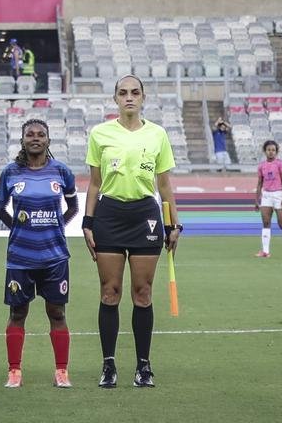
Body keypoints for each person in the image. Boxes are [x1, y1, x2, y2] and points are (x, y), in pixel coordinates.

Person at [82, 75, 181, 390]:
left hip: (145, 216)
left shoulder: (157, 135)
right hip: (109, 215)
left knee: (143, 292)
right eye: (123, 93)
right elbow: (95, 184)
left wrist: (173, 224)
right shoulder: (100, 134)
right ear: (115, 99)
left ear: (143, 98)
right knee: (110, 292)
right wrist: (87, 222)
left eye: (134, 93)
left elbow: (164, 185)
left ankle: (143, 366)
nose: (129, 98)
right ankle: (108, 366)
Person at [0, 120, 78, 389]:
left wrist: (56, 226)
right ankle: (14, 371)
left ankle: (62, 372)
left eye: (41, 134)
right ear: (22, 140)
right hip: (20, 257)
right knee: (18, 313)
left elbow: (73, 207)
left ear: (48, 140)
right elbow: (0, 209)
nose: (35, 138)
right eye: (30, 134)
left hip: (55, 257)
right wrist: (19, 228)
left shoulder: (61, 171)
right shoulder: (11, 173)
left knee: (57, 312)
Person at [254, 140, 282, 257]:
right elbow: (259, 183)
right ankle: (265, 251)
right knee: (266, 223)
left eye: (273, 150)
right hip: (266, 195)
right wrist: (257, 199)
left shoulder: (280, 164)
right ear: (265, 151)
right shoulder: (261, 166)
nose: (271, 152)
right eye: (269, 150)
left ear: (276, 152)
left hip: (278, 194)